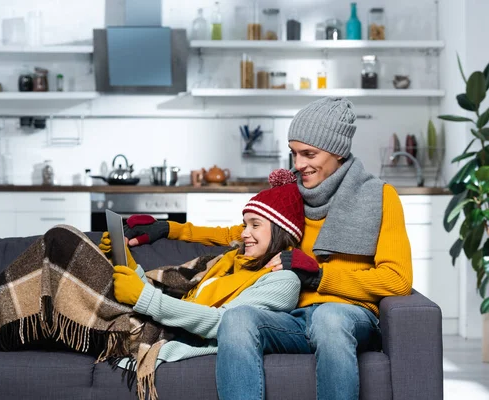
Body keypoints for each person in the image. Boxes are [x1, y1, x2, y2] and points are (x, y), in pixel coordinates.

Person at [0, 169, 305, 399]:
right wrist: (126, 268)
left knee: (60, 245)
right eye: (245, 224)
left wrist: (144, 298)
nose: (244, 233)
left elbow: (224, 325)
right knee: (62, 243)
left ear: (282, 232)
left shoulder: (281, 280)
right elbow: (175, 288)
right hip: (149, 314)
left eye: (255, 226)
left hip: (160, 332)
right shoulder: (230, 260)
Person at [123, 97, 413, 400]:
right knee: (237, 319)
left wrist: (320, 277)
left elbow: (398, 280)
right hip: (292, 318)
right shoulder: (293, 197)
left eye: (308, 153)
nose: (299, 165)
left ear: (337, 151)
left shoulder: (380, 197)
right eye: (294, 154)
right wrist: (169, 228)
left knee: (330, 318)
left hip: (349, 316)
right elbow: (241, 234)